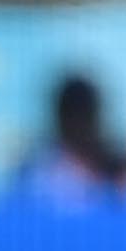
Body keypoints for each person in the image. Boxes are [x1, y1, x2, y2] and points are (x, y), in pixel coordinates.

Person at [21, 71, 124, 204]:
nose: (79, 127)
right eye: (75, 119)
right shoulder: (43, 171)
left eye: (84, 119)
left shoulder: (115, 170)